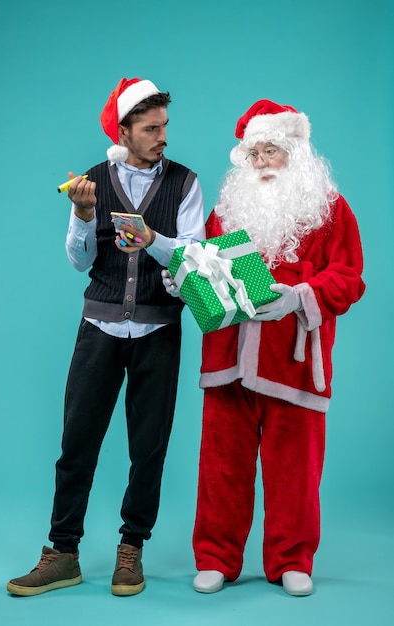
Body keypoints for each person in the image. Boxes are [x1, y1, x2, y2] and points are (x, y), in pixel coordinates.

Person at [7, 77, 205, 598]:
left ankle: (131, 549)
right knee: (77, 443)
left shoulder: (186, 183)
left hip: (159, 331)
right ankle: (62, 552)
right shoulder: (92, 181)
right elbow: (80, 263)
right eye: (151, 128)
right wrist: (82, 214)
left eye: (165, 126)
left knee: (149, 448)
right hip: (99, 326)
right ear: (124, 131)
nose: (163, 136)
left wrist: (153, 240)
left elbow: (196, 259)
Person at [164, 99, 365, 596]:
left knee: (294, 471)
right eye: (253, 154)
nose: (260, 163)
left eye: (270, 151)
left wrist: (302, 296)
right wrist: (185, 280)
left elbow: (349, 277)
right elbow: (209, 267)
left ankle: (291, 560)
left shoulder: (330, 209)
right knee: (220, 468)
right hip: (228, 360)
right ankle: (216, 557)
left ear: (295, 153)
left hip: (293, 363)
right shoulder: (227, 210)